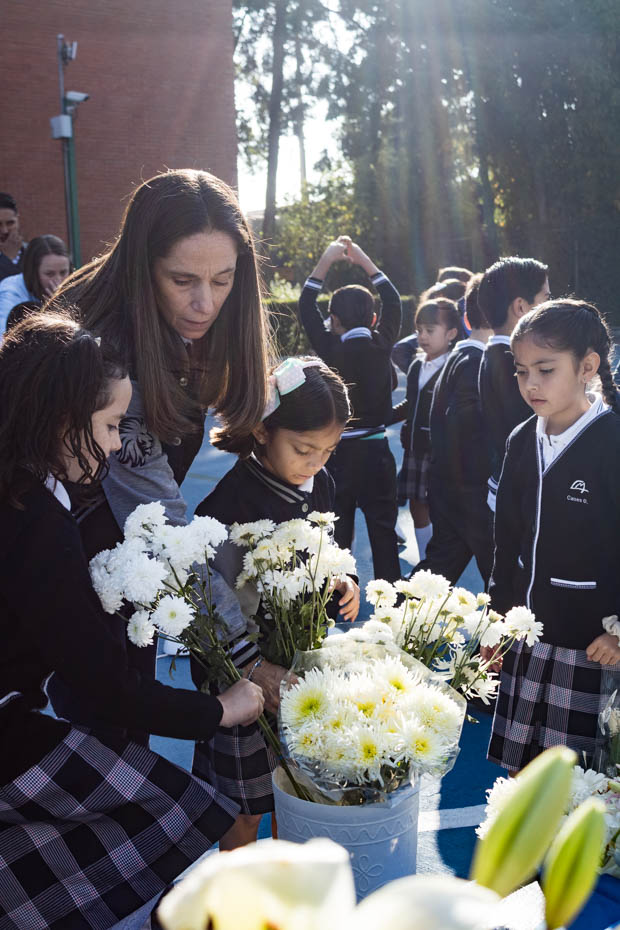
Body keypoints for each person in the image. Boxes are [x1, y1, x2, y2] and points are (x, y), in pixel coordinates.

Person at [0, 312, 265, 930]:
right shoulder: (37, 520)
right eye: (111, 425)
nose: (118, 445)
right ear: (61, 419)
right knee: (173, 811)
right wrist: (218, 710)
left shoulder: (27, 494)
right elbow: (103, 685)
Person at [47, 168, 272, 744]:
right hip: (75, 578)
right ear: (141, 267)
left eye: (223, 281)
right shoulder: (107, 354)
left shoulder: (179, 331)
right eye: (182, 280)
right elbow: (160, 522)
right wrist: (244, 654)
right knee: (108, 761)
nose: (205, 303)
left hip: (122, 574)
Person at [192, 356, 359, 848]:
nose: (316, 462)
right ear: (263, 431)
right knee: (242, 811)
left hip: (301, 668)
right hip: (244, 678)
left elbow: (331, 552)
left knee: (300, 797)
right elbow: (212, 607)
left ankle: (288, 902)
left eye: (329, 450)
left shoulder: (321, 483)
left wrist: (343, 580)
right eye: (304, 448)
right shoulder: (228, 507)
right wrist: (251, 666)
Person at [487, 299, 620, 772]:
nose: (530, 384)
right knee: (522, 778)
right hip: (528, 639)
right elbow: (506, 543)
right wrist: (496, 620)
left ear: (587, 366)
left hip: (592, 648)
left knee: (581, 786)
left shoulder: (611, 441)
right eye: (522, 371)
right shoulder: (522, 440)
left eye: (545, 369)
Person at [298, 235, 402, 582]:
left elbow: (305, 304)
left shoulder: (330, 348)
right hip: (377, 454)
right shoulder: (382, 344)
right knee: (384, 534)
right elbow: (393, 299)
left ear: (334, 319)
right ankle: (391, 606)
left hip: (337, 457)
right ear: (373, 318)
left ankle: (336, 604)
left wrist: (326, 261)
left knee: (336, 539)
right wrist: (364, 260)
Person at [414, 274, 495, 585]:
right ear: (519, 309)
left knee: (435, 573)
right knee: (504, 585)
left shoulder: (461, 353)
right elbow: (466, 430)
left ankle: (392, 622)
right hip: (473, 493)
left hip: (453, 490)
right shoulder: (477, 361)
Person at [478, 256, 550, 513]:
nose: (550, 307)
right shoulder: (514, 363)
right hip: (524, 494)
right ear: (521, 307)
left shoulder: (493, 354)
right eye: (545, 298)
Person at [389, 298, 460, 562]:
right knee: (417, 505)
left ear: (451, 333)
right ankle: (425, 563)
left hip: (440, 452)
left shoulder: (455, 366)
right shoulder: (418, 365)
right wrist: (384, 418)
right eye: (419, 330)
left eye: (430, 330)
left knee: (439, 507)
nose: (422, 336)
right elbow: (411, 403)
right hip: (415, 449)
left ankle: (440, 564)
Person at [0, 234, 70, 332]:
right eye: (49, 274)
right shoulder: (11, 291)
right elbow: (3, 338)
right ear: (33, 272)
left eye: (63, 272)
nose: (58, 281)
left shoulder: (75, 287)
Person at [0, 192, 27, 282]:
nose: (5, 230)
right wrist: (7, 259)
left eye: (10, 223)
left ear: (17, 219)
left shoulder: (33, 252)